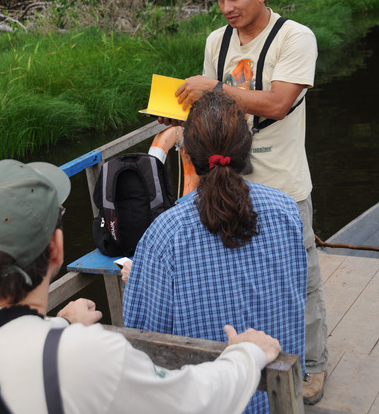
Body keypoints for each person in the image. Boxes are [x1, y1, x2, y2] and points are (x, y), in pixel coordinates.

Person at [160, 0, 328, 405]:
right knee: (237, 276)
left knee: (302, 280)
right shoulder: (218, 41)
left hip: (283, 183)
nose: (227, 9)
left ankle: (313, 366)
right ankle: (249, 357)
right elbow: (213, 107)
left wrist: (211, 87)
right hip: (229, 182)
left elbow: (277, 103)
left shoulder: (295, 38)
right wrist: (181, 120)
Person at [0, 158, 281, 414]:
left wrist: (60, 323)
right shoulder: (88, 355)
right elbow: (192, 401)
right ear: (56, 249)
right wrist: (247, 354)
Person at [123, 90, 307, 414]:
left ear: (189, 157)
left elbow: (143, 345)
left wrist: (138, 277)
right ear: (246, 148)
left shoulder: (165, 235)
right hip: (280, 399)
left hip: (211, 404)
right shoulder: (286, 211)